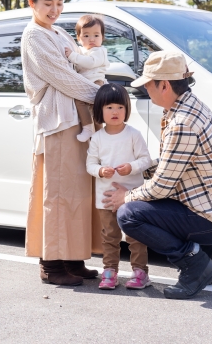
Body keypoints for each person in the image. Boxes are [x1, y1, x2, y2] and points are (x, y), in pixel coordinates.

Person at [102, 50, 212, 299]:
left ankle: (195, 264)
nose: (146, 89)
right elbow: (175, 163)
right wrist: (138, 167)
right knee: (142, 205)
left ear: (164, 85)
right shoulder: (192, 107)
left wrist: (125, 197)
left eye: (148, 84)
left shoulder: (182, 122)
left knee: (129, 215)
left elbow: (160, 188)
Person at [20, 0, 103, 286]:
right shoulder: (34, 35)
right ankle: (51, 264)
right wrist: (103, 96)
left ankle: (72, 257)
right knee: (56, 193)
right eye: (47, 3)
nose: (54, 10)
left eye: (58, 3)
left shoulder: (59, 33)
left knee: (78, 192)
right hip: (56, 123)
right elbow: (63, 77)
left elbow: (84, 63)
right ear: (32, 2)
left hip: (75, 120)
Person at [86, 83, 153, 290]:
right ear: (100, 110)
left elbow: (146, 160)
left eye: (120, 107)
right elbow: (90, 164)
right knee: (109, 236)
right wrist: (99, 171)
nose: (115, 112)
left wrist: (131, 167)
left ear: (126, 109)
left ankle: (140, 272)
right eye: (109, 107)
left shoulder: (133, 134)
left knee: (135, 236)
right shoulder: (97, 138)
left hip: (132, 197)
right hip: (105, 198)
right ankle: (110, 271)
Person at [63, 15, 109, 142]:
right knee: (89, 109)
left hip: (96, 82)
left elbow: (90, 63)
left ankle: (92, 130)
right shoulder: (81, 51)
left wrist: (72, 56)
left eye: (96, 35)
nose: (92, 39)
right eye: (86, 35)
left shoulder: (99, 51)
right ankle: (93, 131)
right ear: (78, 38)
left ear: (102, 37)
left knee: (87, 105)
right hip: (87, 83)